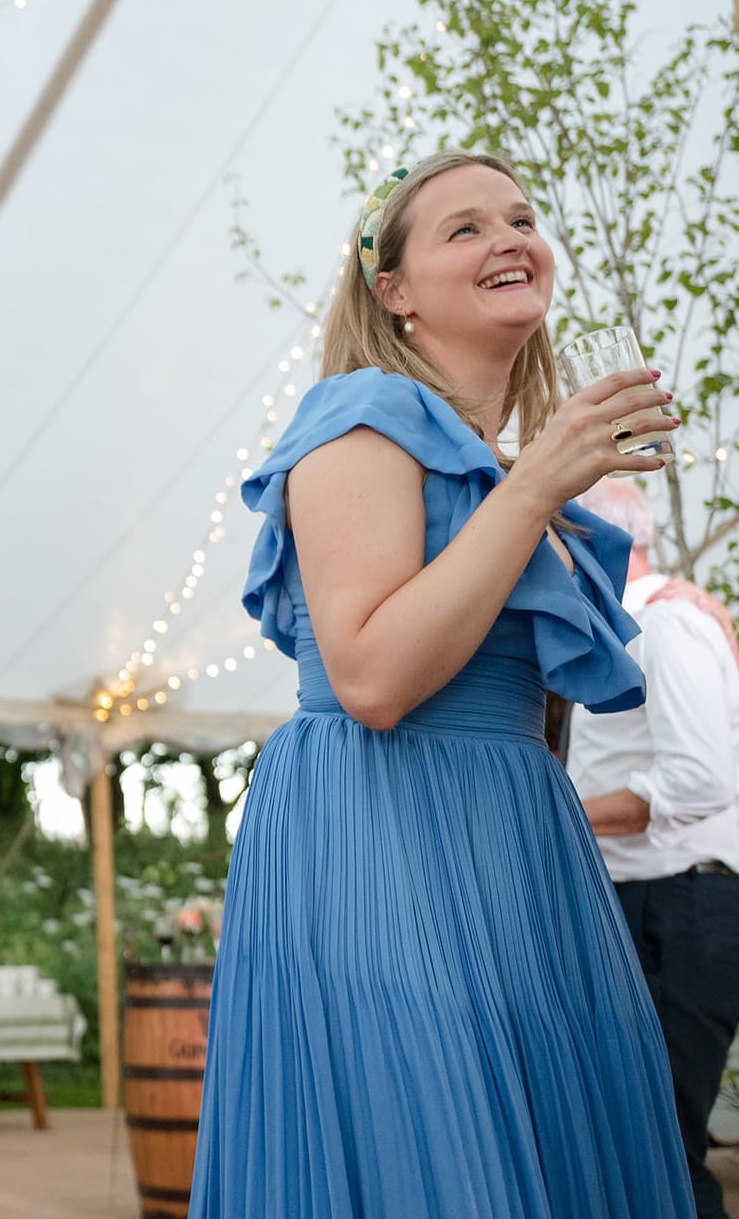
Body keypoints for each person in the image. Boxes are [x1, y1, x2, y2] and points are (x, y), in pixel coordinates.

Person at [191, 150, 693, 1216]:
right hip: (380, 831)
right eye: (463, 229)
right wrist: (541, 480)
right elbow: (372, 679)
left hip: (518, 846)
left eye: (519, 218)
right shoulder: (361, 414)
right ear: (395, 293)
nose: (509, 237)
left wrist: (536, 482)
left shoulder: (516, 473)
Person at [567, 479, 739, 1219]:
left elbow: (701, 778)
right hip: (645, 902)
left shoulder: (666, 626)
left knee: (663, 1150)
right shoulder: (624, 626)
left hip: (681, 905)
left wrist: (558, 814)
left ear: (591, 542)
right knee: (633, 1144)